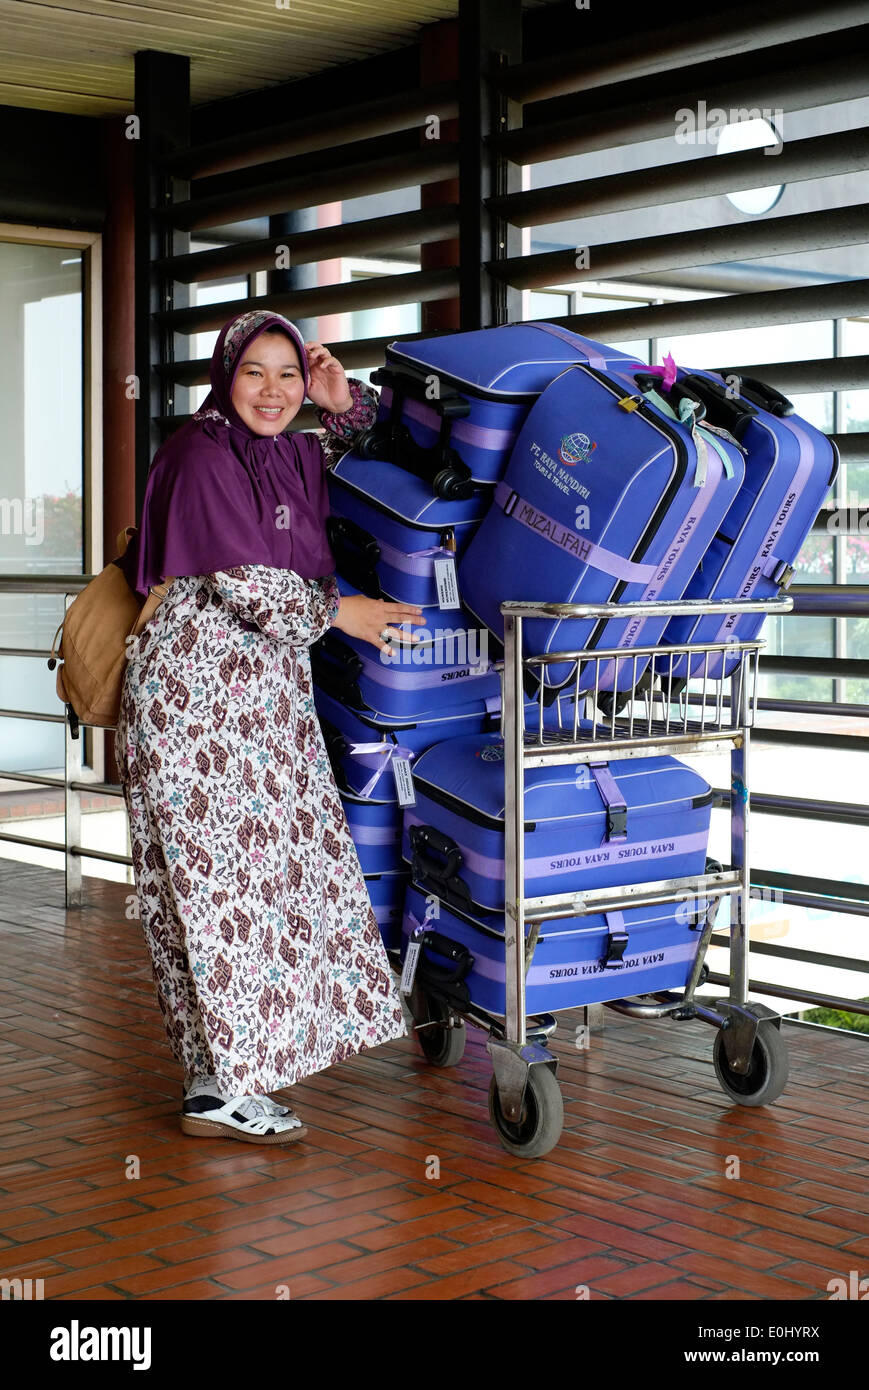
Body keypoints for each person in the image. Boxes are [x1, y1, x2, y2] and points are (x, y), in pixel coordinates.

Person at [116, 308, 425, 1145]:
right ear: (224, 374)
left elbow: (371, 451)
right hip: (194, 705)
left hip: (262, 700)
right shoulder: (201, 453)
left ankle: (222, 1079)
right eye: (255, 371)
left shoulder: (288, 446)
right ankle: (222, 1083)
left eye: (288, 373)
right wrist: (344, 610)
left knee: (261, 886)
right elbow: (244, 582)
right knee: (217, 891)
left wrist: (340, 400)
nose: (273, 390)